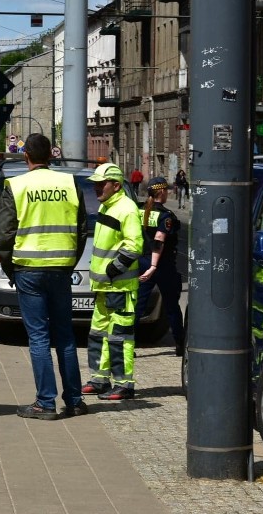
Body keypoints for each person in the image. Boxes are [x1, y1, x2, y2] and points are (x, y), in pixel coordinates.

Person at [0, 133, 89, 420]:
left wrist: (10, 269)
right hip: (61, 269)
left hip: (28, 270)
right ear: (51, 155)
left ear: (26, 157)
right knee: (66, 336)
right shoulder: (69, 183)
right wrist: (70, 262)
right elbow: (82, 230)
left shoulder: (16, 185)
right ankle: (74, 400)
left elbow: (4, 234)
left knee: (38, 337)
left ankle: (46, 404)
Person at [83, 163, 143, 400]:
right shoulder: (108, 207)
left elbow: (134, 245)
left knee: (119, 337)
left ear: (116, 185)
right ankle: (99, 380)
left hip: (120, 286)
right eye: (95, 184)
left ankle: (124, 384)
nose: (97, 188)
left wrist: (112, 270)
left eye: (101, 184)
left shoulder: (125, 209)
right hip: (105, 286)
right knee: (98, 333)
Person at [136, 177, 184, 356]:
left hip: (142, 261)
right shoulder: (166, 216)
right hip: (161, 265)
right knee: (171, 305)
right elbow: (159, 240)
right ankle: (180, 343)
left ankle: (128, 343)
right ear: (162, 192)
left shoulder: (140, 210)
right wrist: (154, 266)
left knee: (137, 305)